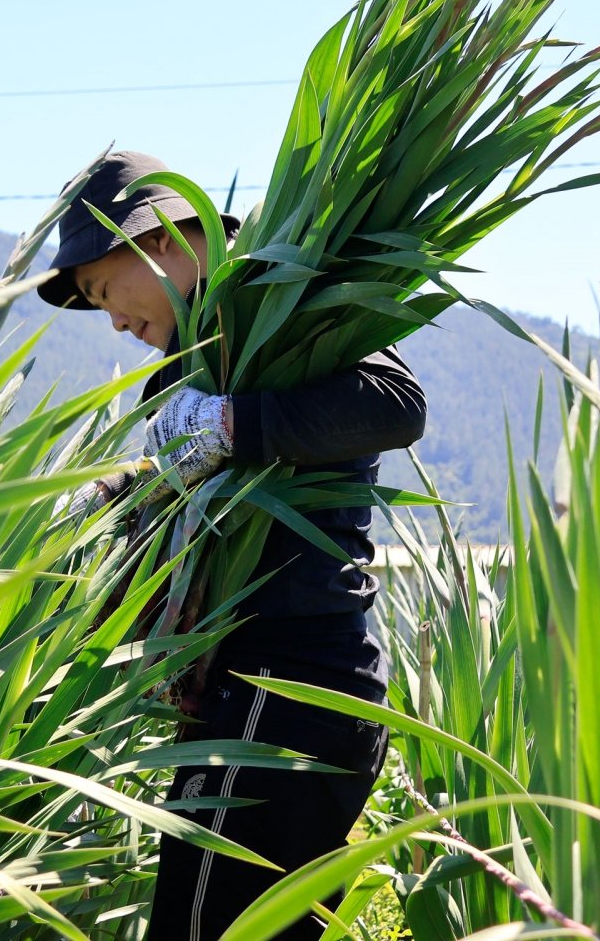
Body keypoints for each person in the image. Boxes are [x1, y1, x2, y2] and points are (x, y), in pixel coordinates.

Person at [37, 150, 427, 940]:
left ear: (164, 236)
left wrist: (232, 426)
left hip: (291, 688)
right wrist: (102, 505)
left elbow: (395, 404)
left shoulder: (296, 318)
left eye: (103, 289)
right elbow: (167, 508)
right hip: (239, 699)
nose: (111, 318)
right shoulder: (177, 383)